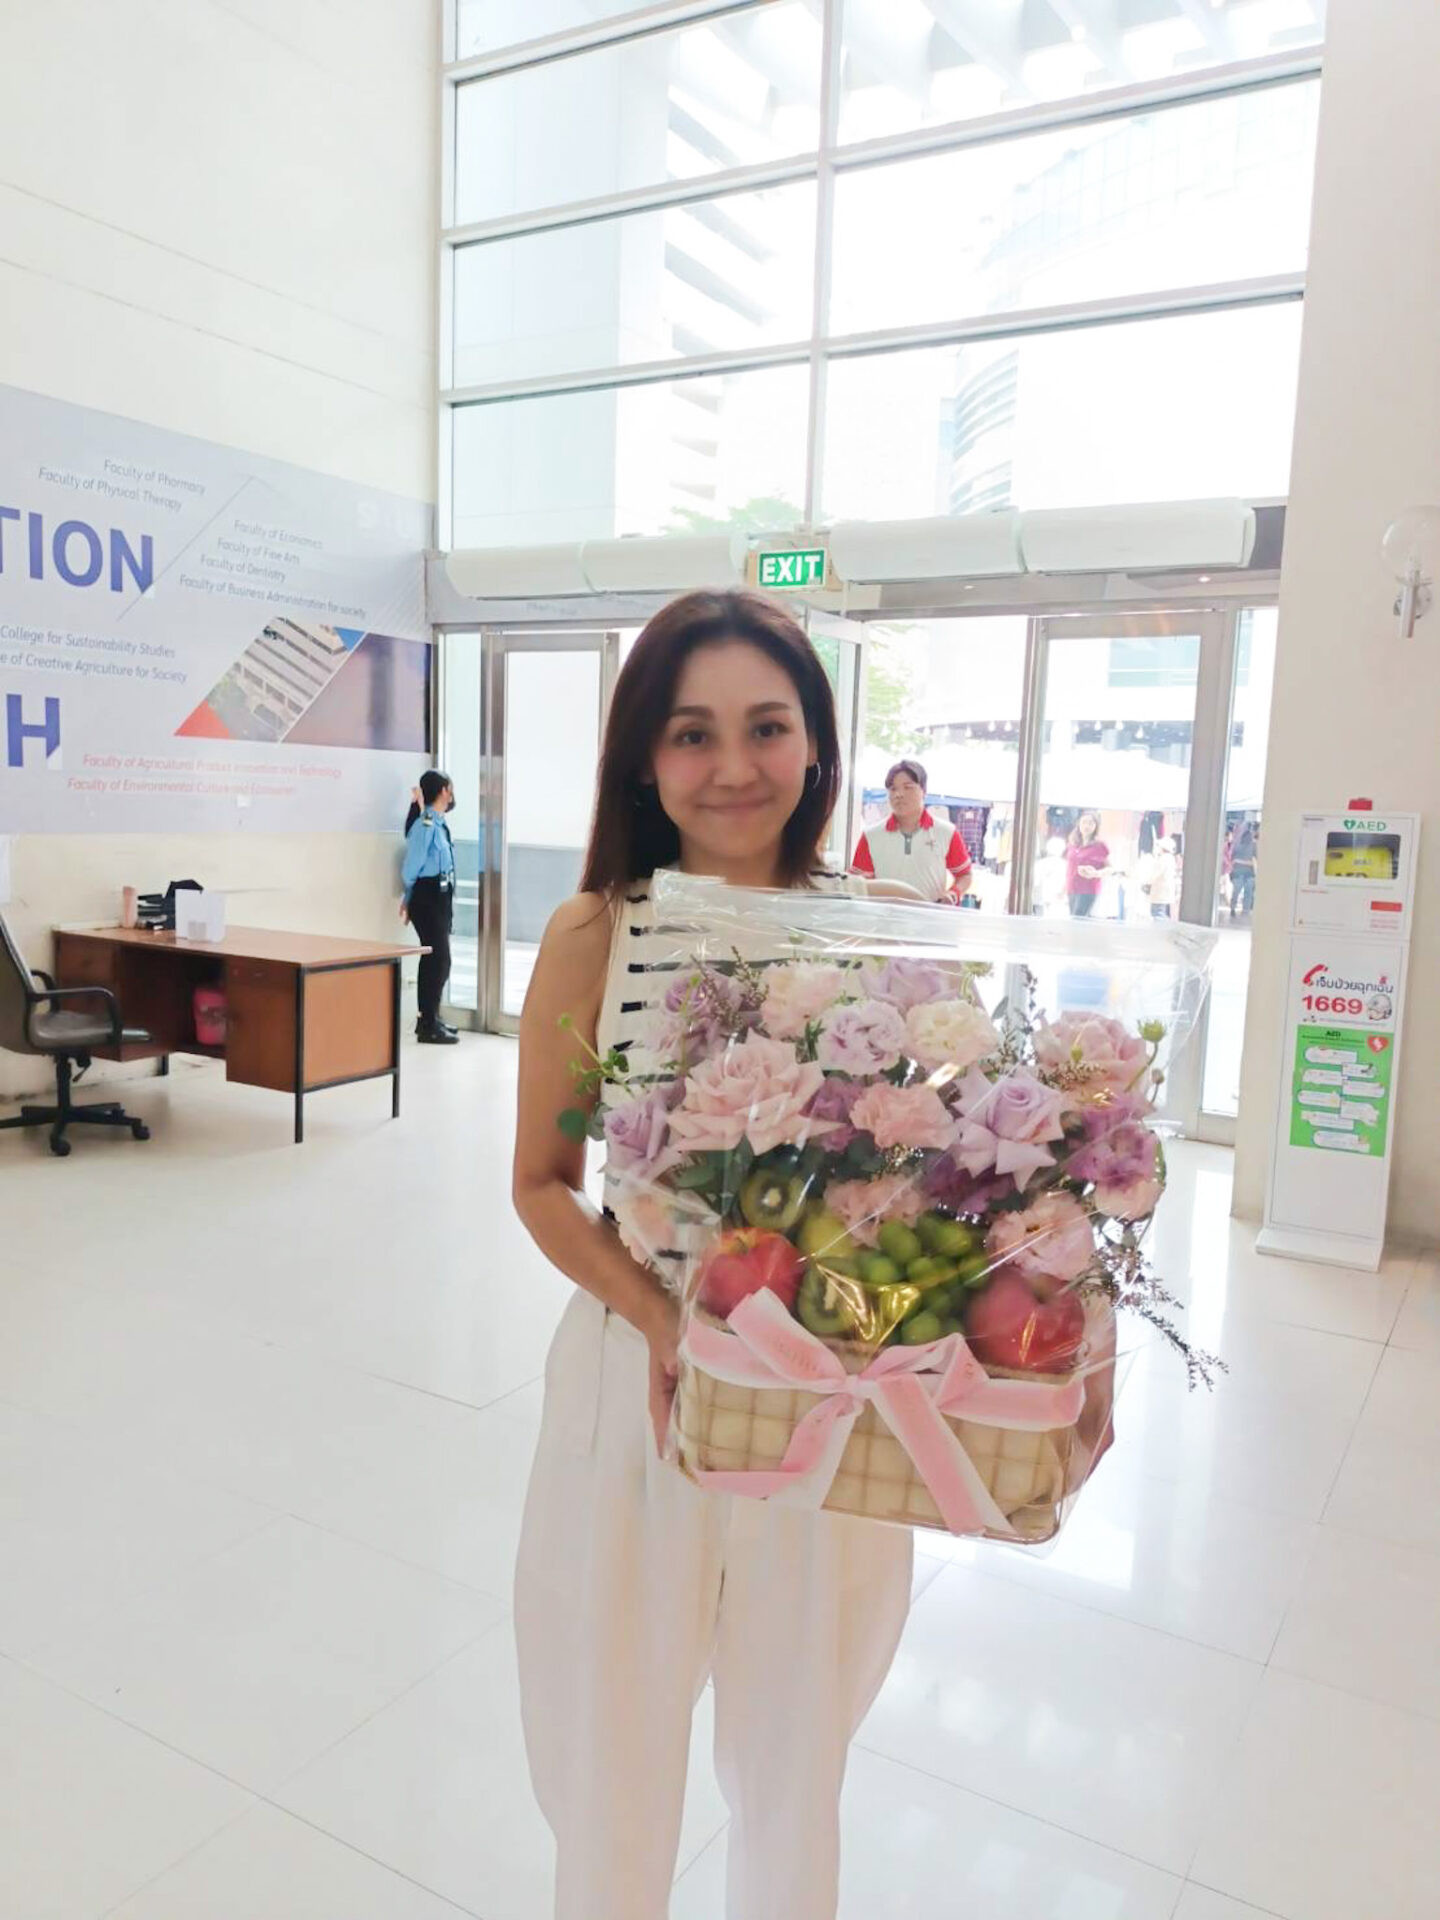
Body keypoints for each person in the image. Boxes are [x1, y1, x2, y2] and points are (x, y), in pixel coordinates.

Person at [512, 591, 914, 1920]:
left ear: (816, 746)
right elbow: (541, 1186)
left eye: (766, 726)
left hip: (826, 1403)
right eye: (693, 733)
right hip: (643, 1390)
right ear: (644, 756)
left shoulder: (880, 927)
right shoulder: (594, 934)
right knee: (611, 1748)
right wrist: (662, 1320)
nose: (733, 766)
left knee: (801, 1755)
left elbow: (925, 1180)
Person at [850, 757, 972, 902]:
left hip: (928, 919)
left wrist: (953, 893)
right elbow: (857, 883)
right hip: (884, 920)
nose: (898, 794)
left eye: (907, 787)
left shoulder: (946, 832)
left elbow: (964, 875)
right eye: (893, 789)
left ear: (923, 791)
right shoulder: (871, 835)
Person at [400, 769, 459, 1044]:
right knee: (438, 959)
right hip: (427, 897)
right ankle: (426, 1023)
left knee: (439, 960)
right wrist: (408, 897)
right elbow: (412, 867)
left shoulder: (437, 823)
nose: (452, 793)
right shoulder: (424, 826)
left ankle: (432, 1017)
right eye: (450, 788)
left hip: (440, 896)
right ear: (444, 790)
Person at [1065, 810, 1110, 917]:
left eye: (1091, 823)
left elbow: (1110, 868)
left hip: (1088, 889)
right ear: (1079, 824)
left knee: (1078, 918)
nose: (1087, 826)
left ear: (1096, 826)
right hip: (1071, 887)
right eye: (1084, 822)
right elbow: (1069, 867)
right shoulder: (1073, 843)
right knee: (1073, 918)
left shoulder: (1100, 846)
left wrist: (1096, 873)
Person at [1230, 821, 1257, 917]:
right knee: (1248, 893)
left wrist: (1237, 862)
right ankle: (1245, 911)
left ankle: (1234, 908)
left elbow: (1232, 858)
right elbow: (1255, 860)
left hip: (1238, 872)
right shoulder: (1254, 845)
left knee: (1237, 891)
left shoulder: (1237, 844)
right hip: (1249, 872)